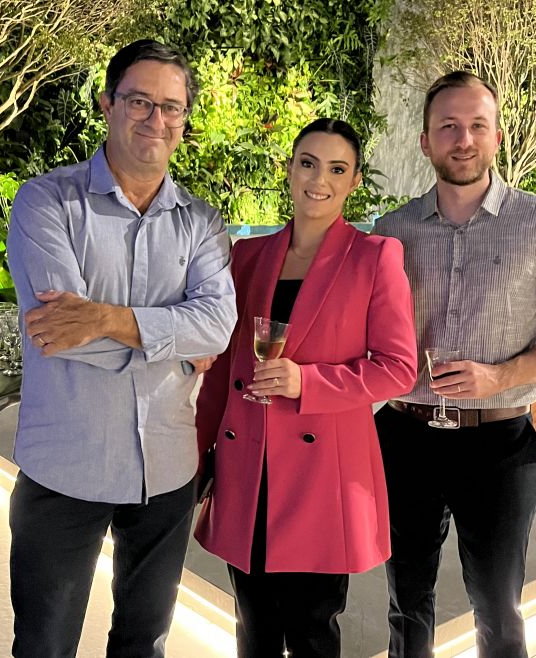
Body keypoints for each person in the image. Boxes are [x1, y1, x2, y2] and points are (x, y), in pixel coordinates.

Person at [5, 40, 236, 658]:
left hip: (166, 469)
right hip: (65, 470)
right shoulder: (45, 202)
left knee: (144, 644)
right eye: (139, 101)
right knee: (43, 646)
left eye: (171, 108)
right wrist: (173, 341)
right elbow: (59, 334)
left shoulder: (203, 223)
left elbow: (218, 327)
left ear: (184, 122)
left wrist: (105, 318)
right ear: (107, 104)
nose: (155, 120)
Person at [373, 71, 536, 658]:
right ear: (426, 141)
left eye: (476, 125)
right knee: (406, 599)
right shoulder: (390, 232)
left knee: (499, 605)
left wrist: (498, 377)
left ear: (496, 136)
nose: (463, 138)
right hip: (404, 436)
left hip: (498, 442)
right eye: (448, 126)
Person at [194, 118, 418, 658]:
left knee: (314, 626)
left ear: (354, 181)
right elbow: (223, 371)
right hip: (248, 464)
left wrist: (306, 380)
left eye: (337, 168)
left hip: (323, 475)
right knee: (253, 623)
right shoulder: (247, 257)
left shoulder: (374, 256)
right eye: (308, 163)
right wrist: (198, 454)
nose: (320, 179)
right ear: (290, 169)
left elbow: (397, 369)